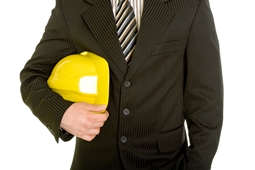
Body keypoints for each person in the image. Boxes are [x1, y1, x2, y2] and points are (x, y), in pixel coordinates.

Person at [19, 0, 223, 169]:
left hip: (166, 163)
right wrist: (63, 114)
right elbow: (33, 76)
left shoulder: (189, 4)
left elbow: (206, 97)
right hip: (95, 163)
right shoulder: (73, 5)